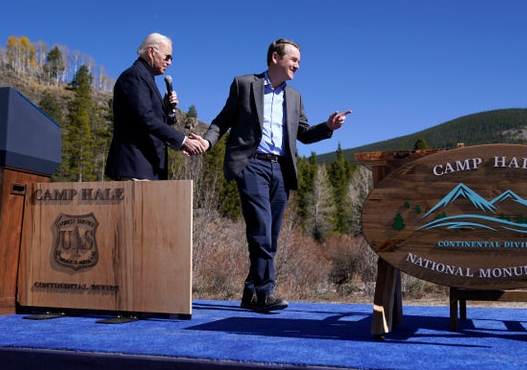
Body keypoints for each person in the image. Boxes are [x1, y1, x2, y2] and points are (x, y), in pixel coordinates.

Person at [201, 38, 351, 312]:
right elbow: (222, 120)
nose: (297, 66)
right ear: (275, 58)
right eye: (293, 60)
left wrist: (327, 127)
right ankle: (264, 293)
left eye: (299, 62)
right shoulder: (244, 84)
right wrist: (208, 141)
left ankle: (249, 292)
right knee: (261, 228)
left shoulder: (295, 97)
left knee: (270, 232)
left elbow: (303, 134)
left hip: (281, 169)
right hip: (251, 164)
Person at [105, 33, 205, 181]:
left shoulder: (145, 78)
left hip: (148, 168)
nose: (170, 62)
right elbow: (145, 118)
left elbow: (149, 118)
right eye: (167, 57)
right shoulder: (134, 76)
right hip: (136, 166)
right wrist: (183, 141)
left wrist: (166, 108)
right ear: (151, 52)